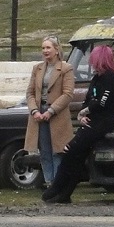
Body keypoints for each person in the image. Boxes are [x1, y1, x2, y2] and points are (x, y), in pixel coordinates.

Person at [44, 45, 114, 204]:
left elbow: (101, 102)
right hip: (92, 120)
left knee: (72, 148)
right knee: (76, 155)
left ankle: (57, 187)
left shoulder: (112, 78)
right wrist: (83, 114)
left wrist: (85, 111)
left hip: (104, 121)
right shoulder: (97, 78)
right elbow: (89, 99)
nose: (91, 62)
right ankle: (63, 193)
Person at [22, 36, 76, 189]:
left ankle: (58, 184)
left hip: (56, 115)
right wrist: (34, 110)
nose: (45, 51)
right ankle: (49, 182)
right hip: (39, 115)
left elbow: (68, 94)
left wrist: (51, 111)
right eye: (43, 48)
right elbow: (30, 93)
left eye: (48, 48)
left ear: (57, 50)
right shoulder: (37, 68)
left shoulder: (66, 68)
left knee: (57, 151)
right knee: (44, 151)